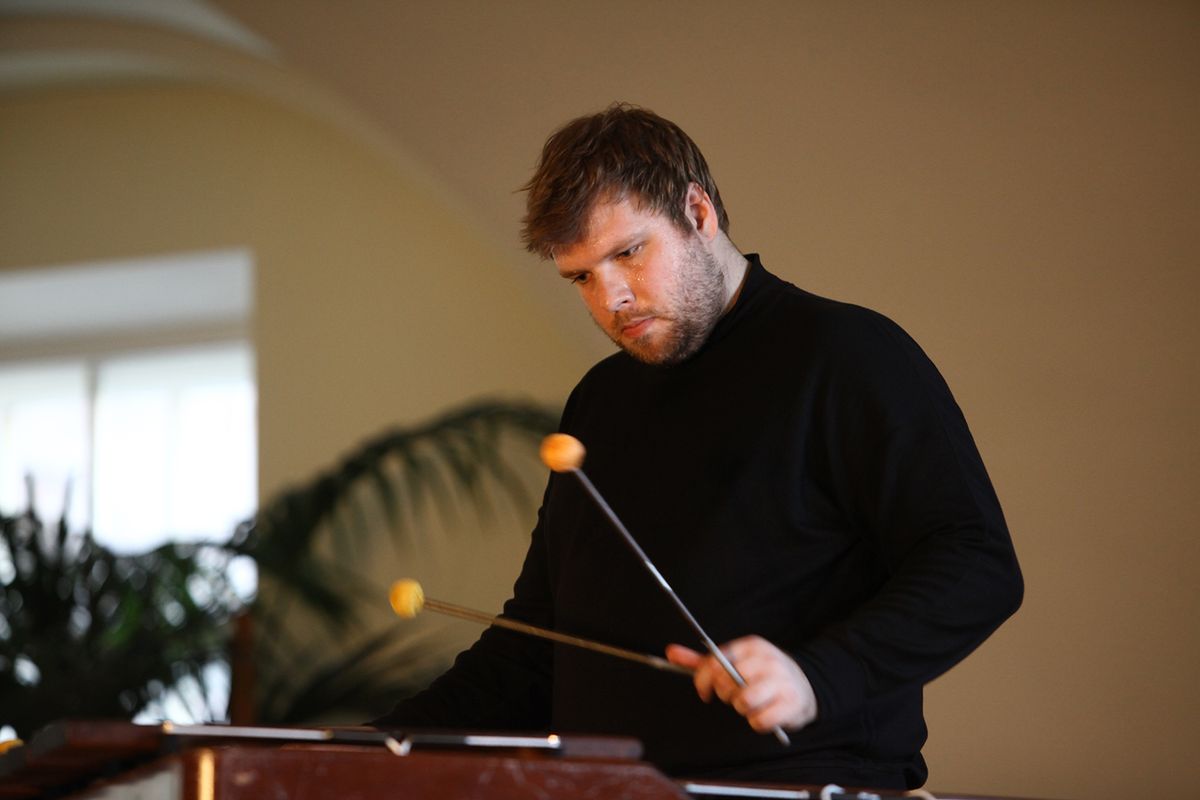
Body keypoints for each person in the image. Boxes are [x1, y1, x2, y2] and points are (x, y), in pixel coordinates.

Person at [373, 103, 1023, 790]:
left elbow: (975, 562)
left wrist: (817, 676)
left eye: (628, 253)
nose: (611, 299)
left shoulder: (848, 356)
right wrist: (367, 747)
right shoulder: (600, 400)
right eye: (582, 277)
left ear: (698, 213)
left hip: (799, 782)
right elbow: (540, 647)